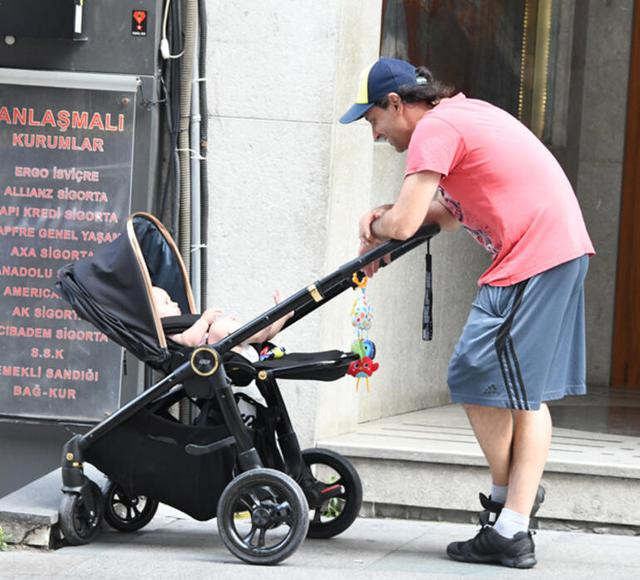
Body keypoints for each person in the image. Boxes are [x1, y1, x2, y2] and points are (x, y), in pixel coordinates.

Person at [340, 57, 594, 569]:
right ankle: (512, 516)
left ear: (396, 104)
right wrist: (387, 216)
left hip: (534, 256)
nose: (375, 134)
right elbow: (450, 216)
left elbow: (409, 221)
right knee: (524, 394)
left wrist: (382, 221)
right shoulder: (463, 115)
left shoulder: (435, 128)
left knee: (475, 373)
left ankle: (510, 512)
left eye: (372, 121)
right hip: (555, 250)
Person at [151, 286, 292, 352]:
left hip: (228, 347)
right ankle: (261, 330)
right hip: (213, 355)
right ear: (156, 317)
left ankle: (283, 314)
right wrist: (205, 321)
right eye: (167, 303)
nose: (175, 303)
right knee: (218, 328)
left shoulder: (177, 324)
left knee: (225, 327)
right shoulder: (168, 331)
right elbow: (190, 341)